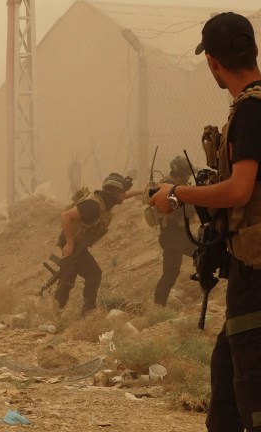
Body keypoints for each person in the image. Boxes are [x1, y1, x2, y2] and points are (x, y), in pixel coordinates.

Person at [149, 12, 261, 431]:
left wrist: (178, 194)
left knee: (250, 384)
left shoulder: (250, 111)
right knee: (226, 372)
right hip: (248, 266)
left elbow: (240, 190)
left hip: (256, 272)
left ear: (212, 62)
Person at [54, 173, 141, 316]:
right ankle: (87, 313)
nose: (124, 196)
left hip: (78, 243)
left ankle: (55, 311)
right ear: (114, 193)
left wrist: (143, 191)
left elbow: (125, 195)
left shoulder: (107, 200)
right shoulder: (93, 206)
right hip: (72, 242)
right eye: (122, 193)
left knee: (69, 276)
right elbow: (65, 216)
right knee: (93, 274)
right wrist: (69, 243)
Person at [150, 156, 197, 306]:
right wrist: (195, 198)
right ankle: (158, 306)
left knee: (202, 255)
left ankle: (205, 292)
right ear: (181, 173)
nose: (189, 177)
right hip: (172, 237)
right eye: (187, 173)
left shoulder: (175, 186)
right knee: (170, 274)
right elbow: (182, 211)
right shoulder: (168, 189)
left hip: (182, 235)